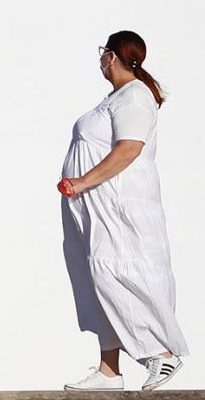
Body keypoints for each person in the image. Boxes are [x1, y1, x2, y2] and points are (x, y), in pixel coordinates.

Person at [58, 31, 189, 391]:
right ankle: (109, 371)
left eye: (103, 53)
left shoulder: (134, 96)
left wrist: (83, 181)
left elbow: (130, 148)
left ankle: (160, 353)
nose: (100, 59)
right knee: (94, 280)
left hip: (117, 206)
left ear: (113, 56)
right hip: (95, 209)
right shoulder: (117, 97)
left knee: (116, 276)